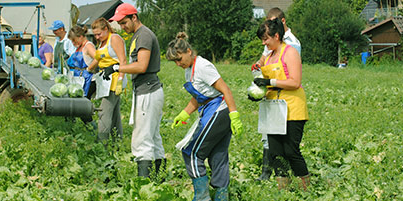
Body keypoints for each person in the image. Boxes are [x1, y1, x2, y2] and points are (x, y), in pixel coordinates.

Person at [167, 32, 243, 200]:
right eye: (175, 61)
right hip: (211, 109)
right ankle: (221, 197)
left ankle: (202, 196)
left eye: (179, 59)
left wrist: (234, 114)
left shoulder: (202, 66)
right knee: (218, 154)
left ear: (188, 51)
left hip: (218, 110)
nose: (178, 64)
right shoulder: (189, 70)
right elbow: (200, 96)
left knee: (191, 153)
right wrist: (185, 113)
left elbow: (225, 90)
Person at [249, 18, 310, 190]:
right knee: (275, 153)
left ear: (276, 36)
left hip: (292, 109)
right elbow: (267, 83)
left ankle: (305, 188)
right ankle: (283, 189)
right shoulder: (268, 57)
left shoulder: (290, 53)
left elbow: (295, 82)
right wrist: (258, 93)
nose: (264, 43)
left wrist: (271, 81)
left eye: (266, 39)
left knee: (291, 151)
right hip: (274, 109)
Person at [110, 3, 165, 178]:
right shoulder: (138, 35)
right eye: (119, 23)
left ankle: (144, 184)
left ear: (134, 17)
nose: (122, 27)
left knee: (141, 139)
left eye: (124, 22)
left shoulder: (143, 36)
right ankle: (159, 179)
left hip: (147, 90)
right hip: (149, 89)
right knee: (153, 137)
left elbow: (141, 66)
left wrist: (117, 68)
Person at [88, 18, 126, 145]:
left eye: (99, 34)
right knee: (114, 114)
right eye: (95, 35)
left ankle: (101, 144)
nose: (97, 37)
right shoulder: (102, 43)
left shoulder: (114, 39)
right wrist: (87, 69)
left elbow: (123, 61)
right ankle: (118, 142)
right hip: (105, 80)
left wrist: (120, 80)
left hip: (114, 80)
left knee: (104, 112)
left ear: (106, 29)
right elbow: (98, 58)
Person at [67, 25, 96, 97]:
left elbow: (98, 58)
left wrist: (89, 68)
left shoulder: (88, 46)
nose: (73, 43)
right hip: (79, 78)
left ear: (80, 36)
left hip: (88, 80)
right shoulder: (79, 47)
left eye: (74, 40)